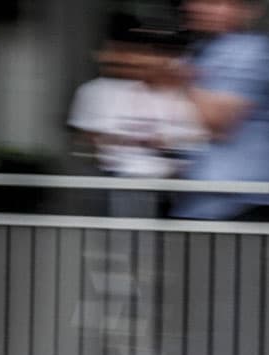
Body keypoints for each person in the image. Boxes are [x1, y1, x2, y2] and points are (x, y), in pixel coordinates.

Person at [173, 0, 269, 220]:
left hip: (246, 198)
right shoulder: (206, 49)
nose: (199, 8)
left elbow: (219, 121)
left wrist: (181, 79)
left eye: (217, 3)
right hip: (204, 198)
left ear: (249, 10)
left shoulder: (251, 50)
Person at [67, 16, 206, 214]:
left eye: (169, 54)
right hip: (124, 180)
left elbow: (200, 138)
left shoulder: (188, 95)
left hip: (175, 186)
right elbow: (88, 143)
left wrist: (166, 142)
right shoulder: (106, 91)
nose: (161, 61)